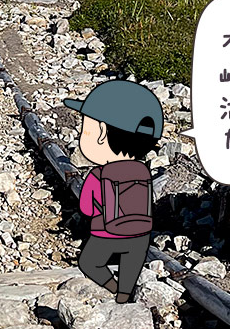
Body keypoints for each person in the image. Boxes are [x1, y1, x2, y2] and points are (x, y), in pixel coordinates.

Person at [63, 79, 162, 303]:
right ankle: (124, 293)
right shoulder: (143, 171)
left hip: (108, 232)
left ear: (101, 133)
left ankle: (113, 287)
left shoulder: (98, 175)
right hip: (140, 233)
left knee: (88, 263)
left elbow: (87, 208)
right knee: (131, 264)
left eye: (85, 130)